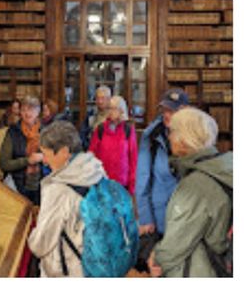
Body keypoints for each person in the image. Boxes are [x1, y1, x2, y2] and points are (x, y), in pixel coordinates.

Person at [149, 108, 234, 277]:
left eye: (172, 132)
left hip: (197, 270)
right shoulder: (224, 167)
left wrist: (157, 258)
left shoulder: (195, 186)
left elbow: (175, 244)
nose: (169, 137)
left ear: (184, 139)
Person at [28, 121, 107, 277]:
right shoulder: (96, 170)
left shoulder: (58, 189)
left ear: (64, 152)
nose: (44, 160)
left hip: (69, 270)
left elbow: (41, 244)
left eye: (47, 154)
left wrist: (31, 237)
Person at [136, 89, 190, 258]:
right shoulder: (151, 136)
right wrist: (145, 218)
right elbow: (142, 178)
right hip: (159, 217)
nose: (168, 115)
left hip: (188, 218)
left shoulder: (196, 135)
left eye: (173, 111)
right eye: (165, 109)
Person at [0, 95, 46, 204]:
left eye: (31, 109)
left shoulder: (46, 131)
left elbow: (56, 158)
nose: (27, 113)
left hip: (43, 185)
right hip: (17, 186)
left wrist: (44, 157)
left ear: (38, 111)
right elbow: (3, 164)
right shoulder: (13, 132)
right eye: (23, 110)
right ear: (19, 112)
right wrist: (27, 161)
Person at [92, 95, 139, 196]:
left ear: (121, 110)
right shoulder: (100, 129)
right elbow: (92, 155)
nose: (110, 111)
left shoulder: (128, 129)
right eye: (109, 108)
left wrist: (132, 186)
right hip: (103, 182)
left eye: (114, 108)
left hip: (122, 184)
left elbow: (133, 159)